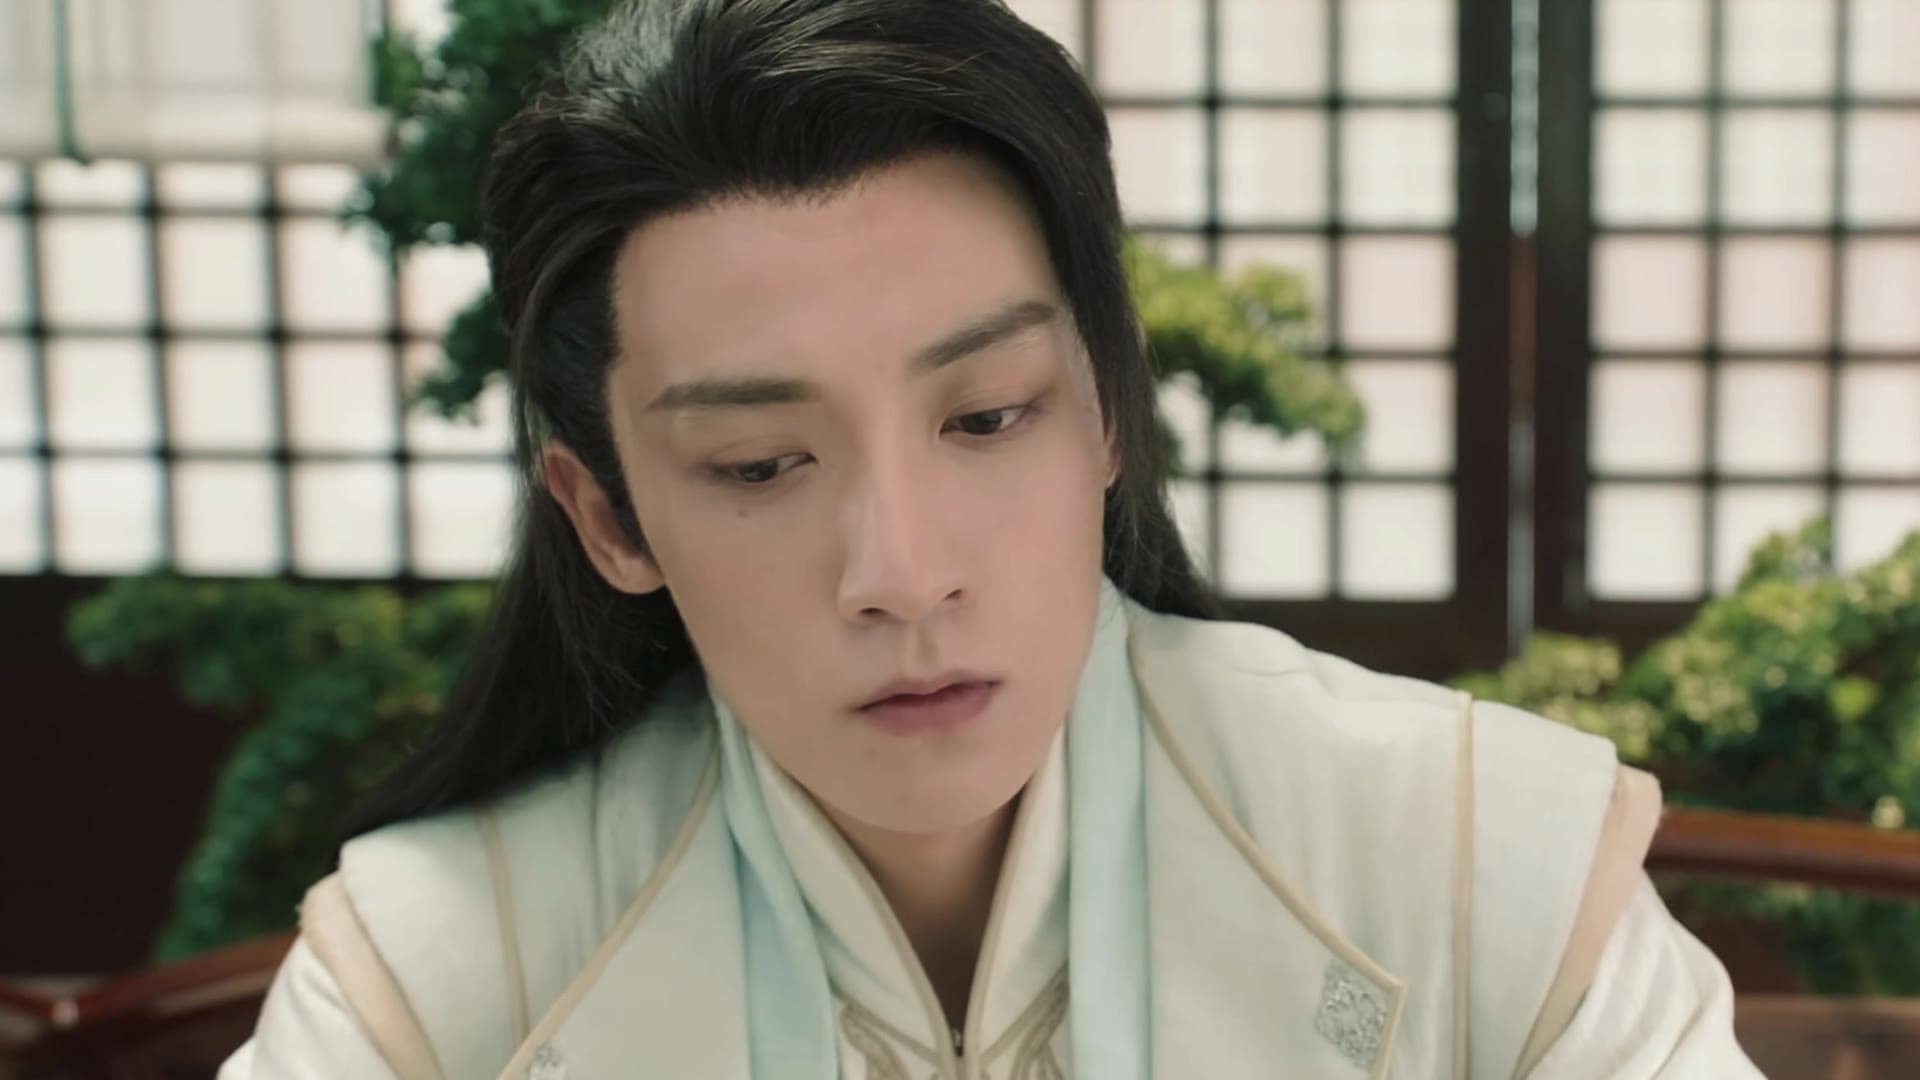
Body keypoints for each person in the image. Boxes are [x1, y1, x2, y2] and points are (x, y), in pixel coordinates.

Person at [220, 0, 1764, 1076]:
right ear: (609, 515)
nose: (903, 573)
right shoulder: (441, 978)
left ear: (1107, 413)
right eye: (759, 464)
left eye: (986, 417)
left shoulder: (1478, 863)